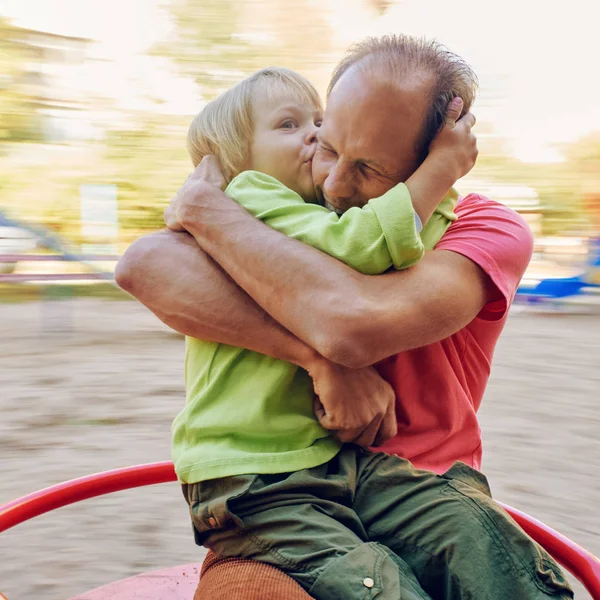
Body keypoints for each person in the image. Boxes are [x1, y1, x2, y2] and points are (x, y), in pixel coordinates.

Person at [116, 35, 573, 599]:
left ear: (431, 159)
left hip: (412, 480)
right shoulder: (276, 206)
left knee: (496, 558)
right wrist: (312, 358)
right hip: (280, 486)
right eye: (327, 145)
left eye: (370, 168)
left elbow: (351, 325)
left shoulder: (484, 228)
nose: (333, 182)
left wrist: (205, 211)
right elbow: (144, 263)